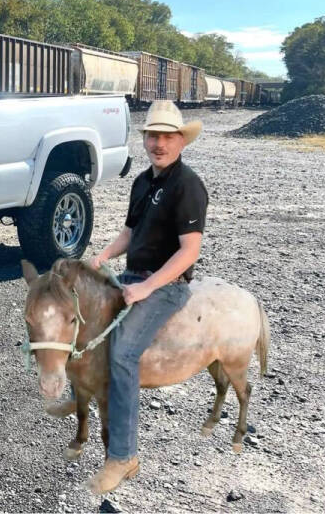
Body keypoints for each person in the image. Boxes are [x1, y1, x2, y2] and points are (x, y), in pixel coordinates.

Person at [86, 100, 208, 494]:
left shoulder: (187, 185)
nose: (159, 143)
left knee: (123, 354)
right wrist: (103, 256)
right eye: (153, 135)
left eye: (167, 137)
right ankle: (82, 399)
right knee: (81, 319)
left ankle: (123, 457)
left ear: (181, 141)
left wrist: (147, 286)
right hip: (133, 276)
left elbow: (189, 251)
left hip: (167, 286)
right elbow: (129, 233)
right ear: (145, 140)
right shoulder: (142, 182)